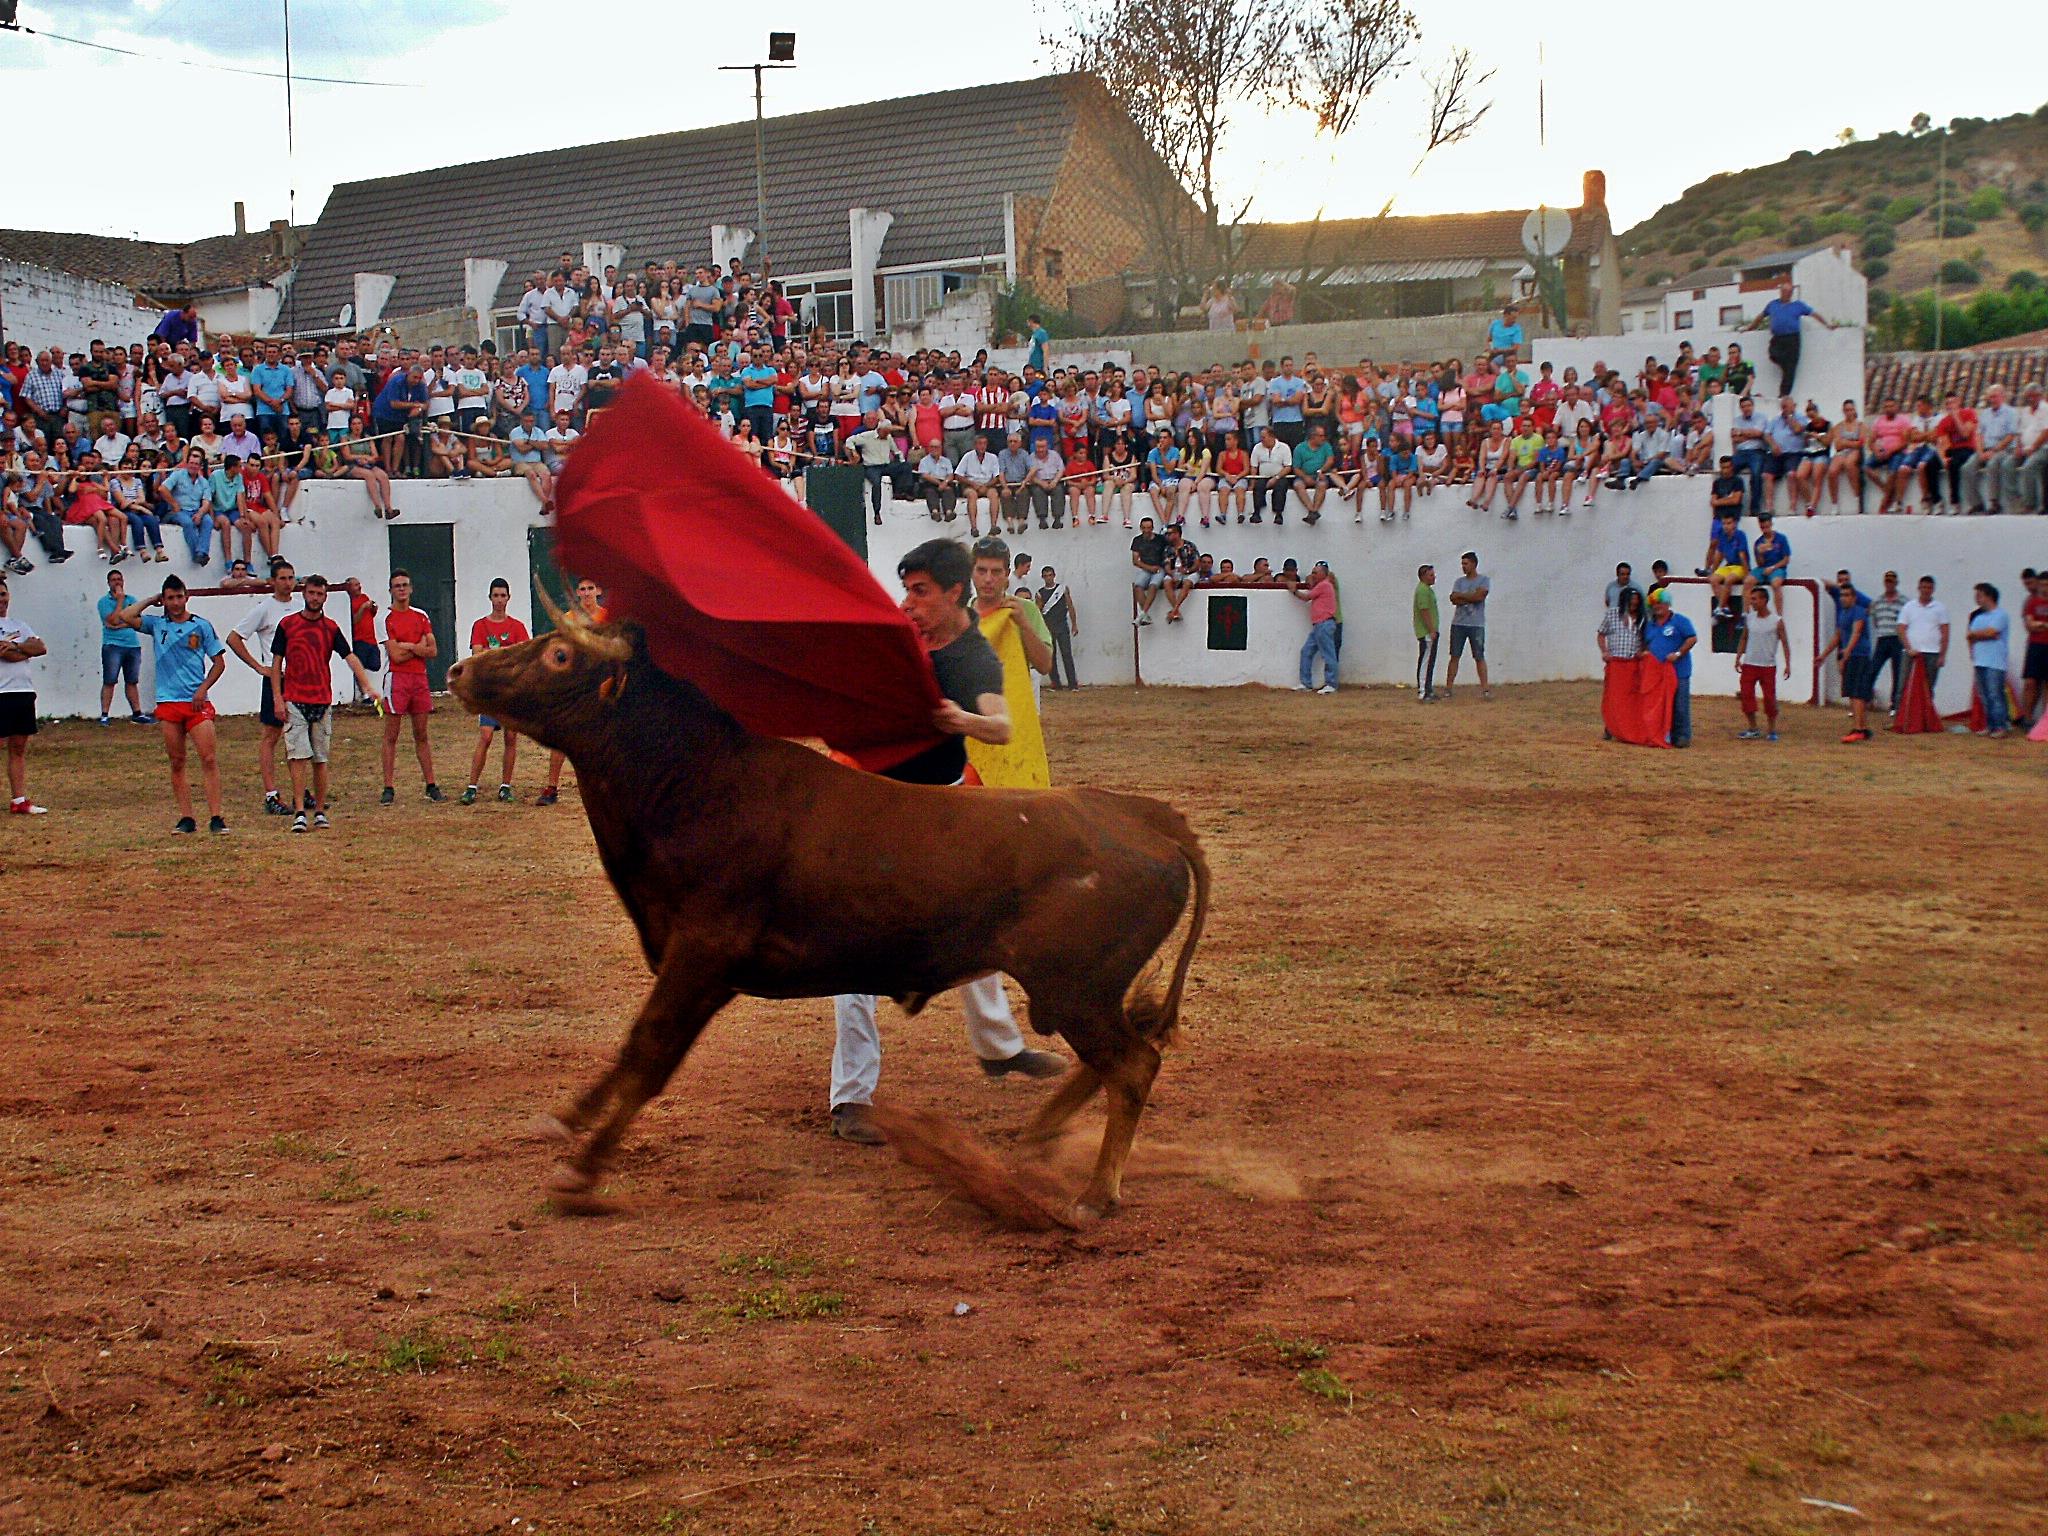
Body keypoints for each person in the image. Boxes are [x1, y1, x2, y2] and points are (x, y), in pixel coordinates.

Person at [828, 538, 1064, 1146]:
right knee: (857, 945)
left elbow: (1002, 724)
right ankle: (851, 1097)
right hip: (872, 804)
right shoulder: (902, 639)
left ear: (954, 592)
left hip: (938, 808)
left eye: (920, 592)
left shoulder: (970, 656)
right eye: (906, 590)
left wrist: (960, 721)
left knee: (974, 918)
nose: (908, 603)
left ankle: (998, 1050)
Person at [110, 575, 230, 833]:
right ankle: (187, 817)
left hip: (195, 703)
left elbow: (219, 662)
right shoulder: (157, 624)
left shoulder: (201, 626)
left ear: (186, 597)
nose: (175, 603)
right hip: (168, 702)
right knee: (177, 761)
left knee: (208, 758)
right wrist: (152, 600)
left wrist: (202, 688)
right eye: (170, 598)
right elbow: (126, 616)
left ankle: (216, 817)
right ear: (164, 600)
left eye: (179, 597)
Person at [269, 574, 383, 832]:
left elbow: (349, 656)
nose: (314, 598)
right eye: (311, 593)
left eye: (319, 594)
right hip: (295, 698)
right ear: (304, 594)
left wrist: (367, 686)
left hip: (321, 699)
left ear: (325, 597)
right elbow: (277, 663)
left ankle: (319, 809)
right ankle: (300, 810)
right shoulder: (287, 625)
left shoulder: (330, 628)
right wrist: (278, 697)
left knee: (320, 758)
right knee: (297, 757)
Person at [966, 537, 1053, 786]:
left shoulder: (1024, 610)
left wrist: (1023, 625)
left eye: (996, 572)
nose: (988, 579)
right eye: (981, 571)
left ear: (1007, 575)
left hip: (1013, 725)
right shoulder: (960, 615)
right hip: (973, 726)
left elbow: (1045, 665)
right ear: (972, 573)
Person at [226, 558, 303, 817]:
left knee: (300, 734)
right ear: (272, 581)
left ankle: (301, 791)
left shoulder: (300, 606)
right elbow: (234, 638)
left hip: (300, 676)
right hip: (276, 677)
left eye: (291, 578)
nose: (287, 583)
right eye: (282, 578)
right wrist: (259, 667)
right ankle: (271, 794)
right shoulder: (264, 609)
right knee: (271, 735)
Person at [462, 579, 531, 803]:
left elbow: (522, 659)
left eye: (503, 595)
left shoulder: (518, 627)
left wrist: (497, 658)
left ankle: (505, 785)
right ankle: (472, 785)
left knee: (511, 737)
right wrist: (504, 657)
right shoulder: (480, 626)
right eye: (496, 595)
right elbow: (478, 656)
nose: (499, 600)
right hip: (489, 692)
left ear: (508, 598)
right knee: (486, 736)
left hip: (510, 692)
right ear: (490, 598)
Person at [377, 569, 443, 804]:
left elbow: (433, 651)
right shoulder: (385, 618)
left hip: (419, 679)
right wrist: (418, 647)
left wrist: (409, 646)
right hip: (397, 679)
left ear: (411, 588)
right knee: (391, 734)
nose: (402, 589)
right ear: (391, 590)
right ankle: (388, 786)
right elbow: (395, 655)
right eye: (397, 586)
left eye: (405, 585)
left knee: (421, 734)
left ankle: (431, 784)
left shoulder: (421, 616)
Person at [540, 578, 606, 806]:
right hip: (576, 684)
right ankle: (551, 787)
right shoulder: (568, 619)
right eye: (583, 589)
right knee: (563, 737)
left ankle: (601, 789)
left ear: (598, 590)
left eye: (591, 588)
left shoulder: (607, 618)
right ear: (577, 592)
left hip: (599, 684)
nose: (587, 593)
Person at [0, 575, 49, 816]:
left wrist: (17, 647)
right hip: (2, 691)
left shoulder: (19, 625)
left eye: (3, 594)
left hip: (22, 691)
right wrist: (22, 650)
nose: (1, 600)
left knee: (18, 747)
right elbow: (5, 654)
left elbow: (40, 648)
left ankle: (19, 799)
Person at [1749, 276, 1833, 399]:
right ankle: (1785, 366)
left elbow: (1813, 314)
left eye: (1789, 292)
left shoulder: (1798, 305)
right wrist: (1750, 327)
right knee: (1774, 355)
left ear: (1791, 293)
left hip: (1792, 338)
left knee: (1791, 368)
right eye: (1784, 291)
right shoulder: (1772, 304)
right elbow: (1761, 316)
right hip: (1778, 338)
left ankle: (1784, 394)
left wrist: (1827, 324)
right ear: (1780, 292)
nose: (1786, 294)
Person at [1825, 569, 1876, 743]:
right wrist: (1823, 655)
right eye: (1842, 595)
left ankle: (1859, 728)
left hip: (1858, 655)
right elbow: (1838, 636)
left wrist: (1846, 653)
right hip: (1852, 655)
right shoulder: (1843, 613)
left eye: (1847, 595)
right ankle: (1862, 728)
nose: (1843, 598)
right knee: (1855, 693)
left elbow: (1856, 632)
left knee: (1857, 693)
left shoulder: (1859, 611)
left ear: (1854, 597)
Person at [96, 568, 152, 726]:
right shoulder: (103, 602)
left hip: (132, 645)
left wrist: (120, 624)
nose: (117, 582)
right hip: (112, 645)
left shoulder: (132, 599)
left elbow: (136, 621)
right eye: (114, 580)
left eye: (119, 579)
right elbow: (112, 621)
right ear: (108, 583)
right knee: (110, 680)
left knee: (132, 680)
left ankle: (137, 713)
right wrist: (120, 601)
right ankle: (105, 715)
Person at [1643, 587, 1698, 748]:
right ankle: (1664, 733)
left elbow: (1692, 639)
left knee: (1680, 704)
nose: (1657, 606)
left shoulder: (1680, 621)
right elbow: (1646, 644)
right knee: (1660, 704)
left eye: (1660, 603)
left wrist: (1678, 653)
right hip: (1657, 673)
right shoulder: (1650, 625)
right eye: (1654, 604)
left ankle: (1682, 735)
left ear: (1668, 604)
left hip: (1678, 670)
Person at [1735, 586, 1791, 741]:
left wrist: (1787, 664)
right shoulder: (1749, 618)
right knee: (1746, 695)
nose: (1752, 602)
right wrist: (1738, 656)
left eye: (1754, 599)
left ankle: (1772, 729)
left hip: (1767, 665)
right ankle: (1753, 728)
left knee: (1769, 698)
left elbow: (1785, 643)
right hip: (1750, 664)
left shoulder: (1776, 621)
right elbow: (1744, 638)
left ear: (1764, 600)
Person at [1966, 583, 2012, 737]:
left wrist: (1978, 635)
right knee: (1985, 695)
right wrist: (1984, 634)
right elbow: (1971, 635)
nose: (1977, 598)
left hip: (1995, 661)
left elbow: (1991, 632)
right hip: (1980, 660)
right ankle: (1991, 724)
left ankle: (2000, 725)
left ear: (1989, 596)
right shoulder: (1979, 617)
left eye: (1980, 595)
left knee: (1994, 693)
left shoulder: (2001, 615)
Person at [1444, 551, 1490, 700]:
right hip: (1459, 623)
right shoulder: (1459, 582)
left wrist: (1462, 596)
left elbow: (1479, 596)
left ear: (1474, 564)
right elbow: (1453, 599)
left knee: (1479, 656)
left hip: (1476, 624)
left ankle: (1485, 688)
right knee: (1454, 656)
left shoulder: (1483, 580)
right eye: (1462, 564)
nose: (1463, 567)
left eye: (1466, 563)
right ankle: (1449, 688)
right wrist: (1471, 597)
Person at [1899, 574, 1951, 701]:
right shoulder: (1909, 606)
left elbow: (1945, 632)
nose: (1926, 590)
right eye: (1924, 587)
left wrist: (1942, 655)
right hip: (1911, 653)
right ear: (1919, 588)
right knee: (1904, 685)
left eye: (1929, 588)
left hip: (1932, 653)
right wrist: (1908, 648)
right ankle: (1902, 716)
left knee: (1928, 687)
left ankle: (1925, 717)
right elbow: (1901, 629)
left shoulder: (1940, 608)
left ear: (1933, 590)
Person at [1293, 560, 1339, 694]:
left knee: (1327, 654)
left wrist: (1294, 591)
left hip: (1323, 624)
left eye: (1315, 573)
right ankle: (1307, 683)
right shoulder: (1325, 585)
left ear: (1323, 574)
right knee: (1308, 651)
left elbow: (1307, 597)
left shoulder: (1324, 585)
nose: (1312, 575)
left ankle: (1330, 684)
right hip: (1321, 624)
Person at [1700, 510, 1749, 619]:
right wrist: (1713, 571)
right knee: (1713, 579)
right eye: (1724, 523)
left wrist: (1747, 573)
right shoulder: (1722, 536)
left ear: (1734, 524)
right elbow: (1719, 555)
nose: (1726, 526)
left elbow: (1742, 556)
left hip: (1740, 566)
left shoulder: (1740, 535)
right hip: (1729, 566)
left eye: (1729, 523)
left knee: (1729, 580)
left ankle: (1719, 608)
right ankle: (1725, 607)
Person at [1037, 565, 1079, 690]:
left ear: (1054, 575)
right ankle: (1056, 684)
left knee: (1067, 654)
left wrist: (1074, 624)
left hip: (1062, 625)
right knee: (1051, 656)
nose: (1048, 578)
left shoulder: (1062, 589)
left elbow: (1070, 606)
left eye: (1050, 575)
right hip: (1048, 627)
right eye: (1046, 576)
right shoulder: (1040, 593)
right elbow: (1038, 612)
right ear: (1043, 577)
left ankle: (1073, 684)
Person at [1747, 513, 1792, 614]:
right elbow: (1760, 564)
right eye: (1763, 527)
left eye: (1767, 526)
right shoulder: (1758, 542)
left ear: (1771, 524)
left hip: (1778, 568)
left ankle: (1779, 614)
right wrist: (1760, 554)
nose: (1765, 529)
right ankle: (1745, 613)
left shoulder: (1781, 539)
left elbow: (1786, 559)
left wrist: (1773, 568)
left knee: (1776, 584)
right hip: (1764, 568)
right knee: (1748, 581)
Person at [2021, 568, 2048, 729]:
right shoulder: (2032, 602)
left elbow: (2035, 623)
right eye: (2043, 584)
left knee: (2046, 684)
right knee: (2030, 682)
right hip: (2035, 645)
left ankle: (2045, 720)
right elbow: (2030, 625)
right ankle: (2028, 718)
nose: (2045, 587)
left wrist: (2040, 624)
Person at [1129, 515, 1166, 626]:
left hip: (1160, 568)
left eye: (1148, 528)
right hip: (1147, 568)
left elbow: (1168, 554)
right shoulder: (1137, 540)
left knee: (1153, 585)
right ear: (1141, 528)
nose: (1146, 530)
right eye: (1144, 528)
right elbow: (1135, 561)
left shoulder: (1161, 539)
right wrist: (1149, 568)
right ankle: (1145, 614)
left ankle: (1143, 613)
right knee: (1138, 587)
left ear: (1152, 528)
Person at [1413, 562, 1440, 702]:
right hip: (1427, 632)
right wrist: (1431, 630)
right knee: (1426, 660)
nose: (1434, 577)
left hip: (1428, 631)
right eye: (1431, 575)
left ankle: (1427, 689)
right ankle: (1423, 691)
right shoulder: (1423, 590)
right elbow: (1424, 611)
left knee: (1428, 660)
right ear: (1423, 576)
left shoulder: (1426, 590)